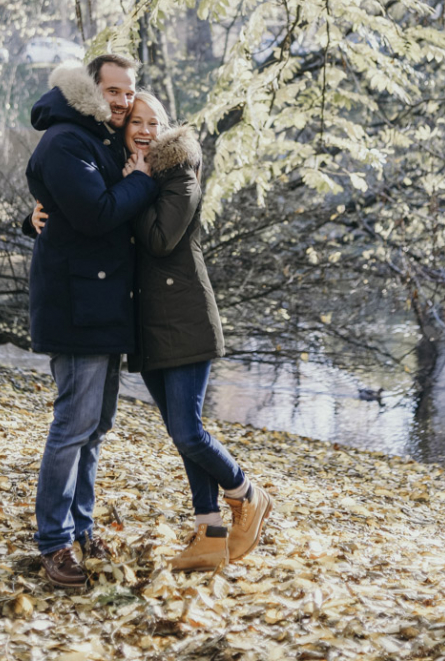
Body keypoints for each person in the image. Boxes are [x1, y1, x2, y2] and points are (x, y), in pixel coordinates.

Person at [32, 91, 272, 572]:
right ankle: (210, 531)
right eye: (135, 122)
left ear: (165, 128)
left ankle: (246, 491)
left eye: (152, 122)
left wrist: (135, 185)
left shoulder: (179, 173)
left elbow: (159, 239)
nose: (143, 129)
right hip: (148, 327)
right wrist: (38, 213)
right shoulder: (127, 171)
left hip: (184, 321)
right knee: (183, 435)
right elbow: (92, 212)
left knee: (189, 431)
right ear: (123, 129)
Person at [25, 54, 158, 588]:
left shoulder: (97, 138)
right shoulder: (67, 141)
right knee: (72, 427)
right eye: (113, 90)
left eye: (129, 91)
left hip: (102, 307)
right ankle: (54, 542)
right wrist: (142, 179)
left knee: (95, 428)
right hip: (76, 308)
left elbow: (65, 206)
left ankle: (81, 528)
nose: (123, 101)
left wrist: (34, 217)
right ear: (90, 89)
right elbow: (97, 212)